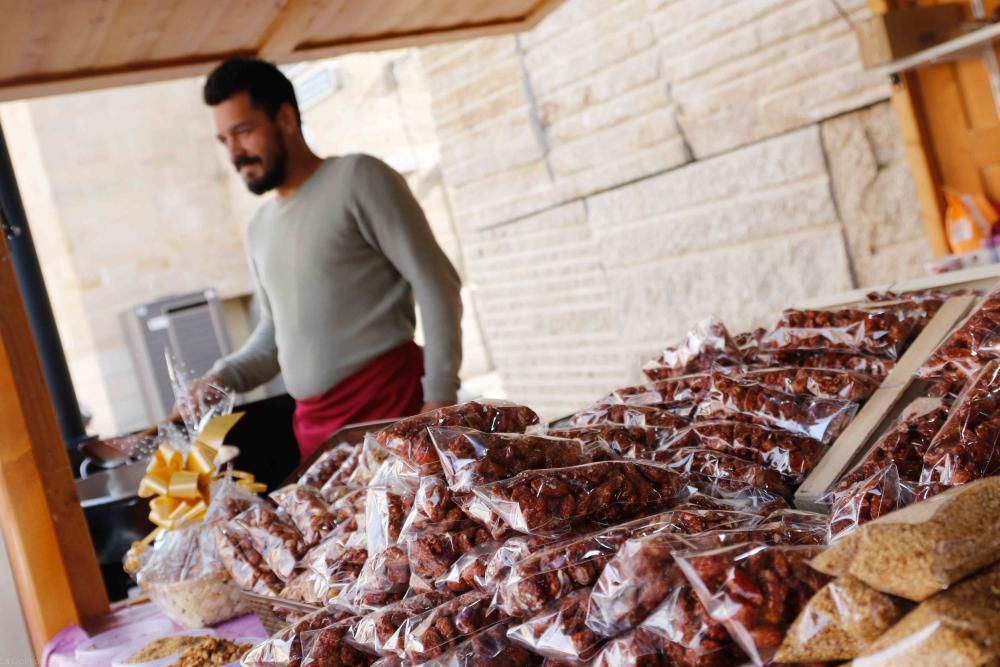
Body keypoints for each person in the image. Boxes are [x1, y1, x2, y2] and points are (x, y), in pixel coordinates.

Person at [191, 57, 463, 462]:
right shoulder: (260, 227)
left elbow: (436, 281)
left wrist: (440, 397)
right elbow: (273, 335)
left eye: (243, 132)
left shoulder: (359, 178)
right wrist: (221, 377)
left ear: (284, 117)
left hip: (393, 410)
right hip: (315, 436)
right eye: (224, 140)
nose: (235, 154)